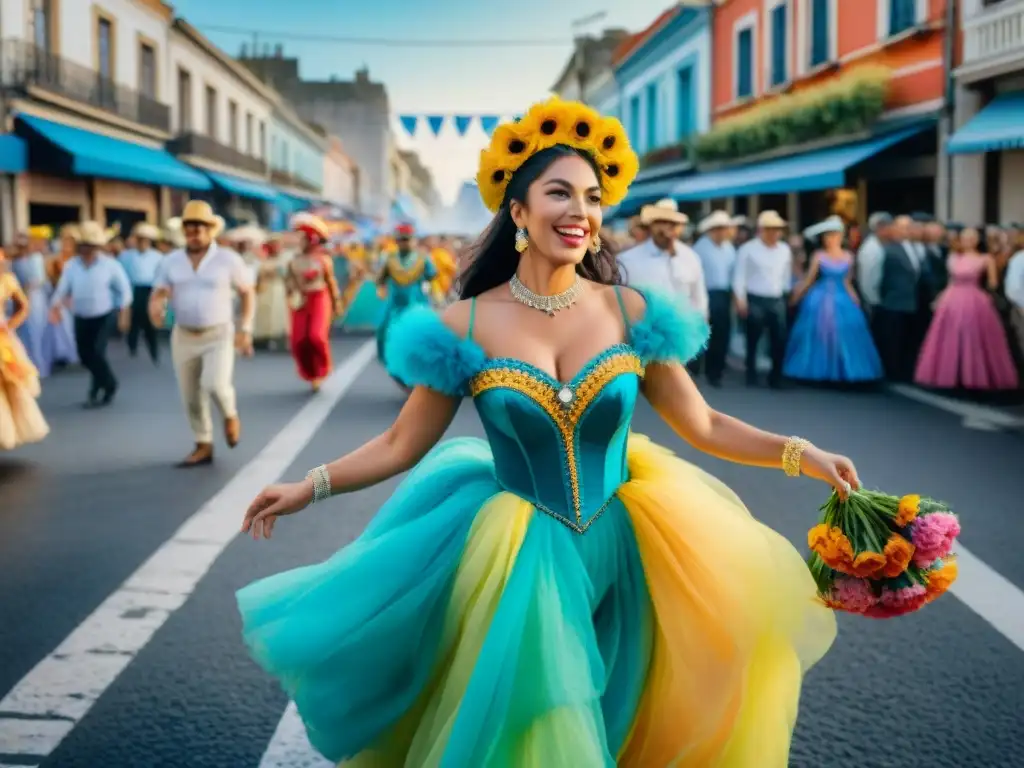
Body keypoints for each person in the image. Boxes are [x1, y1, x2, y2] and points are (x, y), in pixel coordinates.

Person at [236, 98, 855, 767]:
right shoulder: (463, 326)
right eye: (558, 193)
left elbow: (704, 423)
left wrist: (802, 454)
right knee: (537, 732)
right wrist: (309, 485)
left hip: (631, 548)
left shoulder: (632, 309)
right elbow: (399, 445)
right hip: (515, 561)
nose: (580, 212)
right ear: (518, 210)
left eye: (591, 197)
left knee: (626, 715)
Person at [148, 201, 256, 467]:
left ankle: (230, 414)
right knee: (190, 394)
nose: (194, 233)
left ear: (210, 230)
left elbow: (247, 292)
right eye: (189, 228)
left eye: (199, 228)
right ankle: (203, 443)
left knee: (215, 384)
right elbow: (160, 291)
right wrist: (155, 308)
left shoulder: (228, 259)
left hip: (218, 333)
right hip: (184, 335)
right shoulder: (170, 261)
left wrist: (245, 328)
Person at [914, 227, 1019, 390]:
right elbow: (950, 281)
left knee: (973, 336)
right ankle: (953, 373)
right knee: (949, 336)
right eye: (965, 237)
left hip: (975, 298)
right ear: (961, 239)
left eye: (972, 237)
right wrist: (940, 298)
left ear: (977, 240)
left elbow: (993, 283)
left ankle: (973, 374)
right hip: (953, 298)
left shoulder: (986, 258)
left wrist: (987, 294)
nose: (969, 240)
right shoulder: (953, 257)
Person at [783, 216, 883, 383]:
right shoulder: (819, 255)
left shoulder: (849, 256)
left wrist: (855, 298)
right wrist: (797, 295)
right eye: (828, 236)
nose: (831, 240)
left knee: (848, 332)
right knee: (819, 332)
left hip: (842, 296)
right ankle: (820, 371)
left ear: (840, 237)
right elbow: (809, 279)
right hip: (820, 297)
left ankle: (845, 370)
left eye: (834, 236)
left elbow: (847, 281)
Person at [49, 221, 132, 408]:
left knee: (97, 352)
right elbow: (63, 289)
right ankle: (106, 382)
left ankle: (101, 389)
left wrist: (123, 310)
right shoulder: (72, 265)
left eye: (90, 245)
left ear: (98, 247)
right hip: (81, 315)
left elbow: (124, 290)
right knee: (84, 354)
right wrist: (54, 306)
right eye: (83, 245)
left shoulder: (110, 265)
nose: (86, 249)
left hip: (103, 315)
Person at [618, 198, 708, 320]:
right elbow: (621, 303)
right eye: (661, 222)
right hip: (644, 333)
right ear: (651, 226)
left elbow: (699, 301)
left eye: (673, 223)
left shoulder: (691, 258)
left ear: (680, 227)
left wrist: (700, 332)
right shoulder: (628, 261)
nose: (667, 228)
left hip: (683, 334)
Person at [733, 210, 792, 388]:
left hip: (776, 298)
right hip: (755, 298)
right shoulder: (748, 249)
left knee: (779, 338)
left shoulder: (784, 249)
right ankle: (751, 372)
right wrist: (740, 300)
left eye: (777, 229)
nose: (774, 233)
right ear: (762, 230)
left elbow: (785, 275)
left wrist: (786, 293)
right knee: (753, 338)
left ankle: (776, 376)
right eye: (770, 229)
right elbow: (739, 276)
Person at [375, 223, 437, 388]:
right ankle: (400, 375)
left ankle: (421, 375)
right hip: (395, 308)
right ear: (396, 241)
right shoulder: (388, 258)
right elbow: (379, 279)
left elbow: (432, 275)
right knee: (384, 335)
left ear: (414, 240)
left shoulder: (423, 258)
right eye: (401, 239)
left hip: (417, 307)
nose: (404, 243)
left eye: (407, 239)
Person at [286, 213, 343, 392]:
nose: (299, 241)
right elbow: (289, 283)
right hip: (301, 301)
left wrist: (336, 302)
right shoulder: (293, 261)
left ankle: (321, 370)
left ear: (311, 240)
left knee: (316, 337)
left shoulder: (323, 260)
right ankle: (310, 374)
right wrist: (292, 295)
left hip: (319, 298)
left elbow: (331, 282)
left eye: (302, 238)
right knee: (299, 341)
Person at [0, 250, 50, 450]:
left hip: (2, 341)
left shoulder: (7, 281)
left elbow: (23, 307)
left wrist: (8, 325)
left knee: (8, 386)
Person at [692, 209, 736, 386]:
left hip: (723, 294)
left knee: (721, 334)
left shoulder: (729, 249)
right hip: (706, 293)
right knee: (702, 333)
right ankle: (696, 367)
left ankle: (715, 371)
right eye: (718, 228)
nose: (722, 232)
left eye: (724, 229)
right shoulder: (700, 248)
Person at [119, 222, 164, 364]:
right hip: (134, 289)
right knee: (133, 321)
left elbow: (161, 275)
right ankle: (132, 347)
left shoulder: (157, 257)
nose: (142, 243)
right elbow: (121, 274)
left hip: (150, 290)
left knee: (150, 323)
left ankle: (154, 351)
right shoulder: (126, 256)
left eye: (145, 240)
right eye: (140, 239)